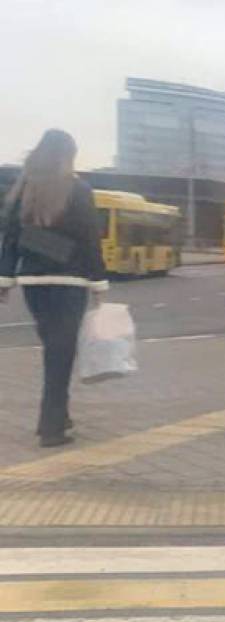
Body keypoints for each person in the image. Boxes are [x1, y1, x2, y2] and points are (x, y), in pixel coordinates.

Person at [0, 129, 109, 446]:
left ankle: (57, 416)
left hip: (33, 284)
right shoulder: (78, 190)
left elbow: (11, 240)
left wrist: (5, 280)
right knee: (60, 354)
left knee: (54, 350)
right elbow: (90, 240)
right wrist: (98, 282)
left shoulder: (24, 190)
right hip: (69, 282)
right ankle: (51, 427)